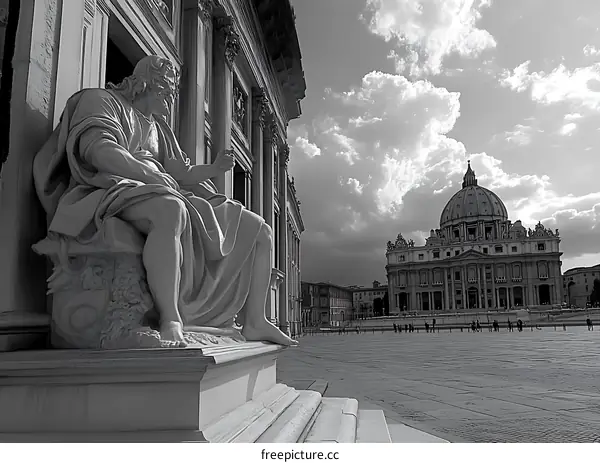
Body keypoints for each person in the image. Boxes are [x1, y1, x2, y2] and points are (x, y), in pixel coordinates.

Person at [33, 55, 296, 347]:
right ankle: (171, 317)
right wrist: (149, 174)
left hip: (163, 190)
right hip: (110, 189)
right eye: (167, 90)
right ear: (146, 83)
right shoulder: (100, 101)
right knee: (170, 208)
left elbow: (182, 171)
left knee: (258, 228)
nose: (172, 97)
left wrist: (214, 169)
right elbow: (97, 150)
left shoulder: (160, 129)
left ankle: (256, 320)